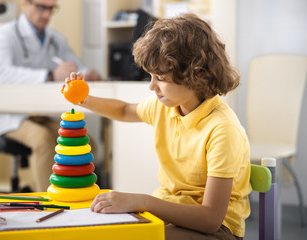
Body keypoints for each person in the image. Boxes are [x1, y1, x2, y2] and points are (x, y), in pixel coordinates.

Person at [65, 13, 251, 240]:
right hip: (168, 216)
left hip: (218, 230)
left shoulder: (222, 130)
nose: (152, 86)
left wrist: (142, 200)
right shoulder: (164, 107)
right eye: (150, 76)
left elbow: (211, 219)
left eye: (160, 77)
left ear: (195, 74)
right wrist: (84, 99)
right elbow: (124, 110)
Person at [0, 0, 101, 192]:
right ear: (25, 4)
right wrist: (49, 75)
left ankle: (73, 196)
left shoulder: (55, 38)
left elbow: (75, 65)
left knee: (85, 141)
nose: (47, 14)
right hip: (11, 115)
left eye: (51, 9)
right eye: (42, 7)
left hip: (40, 112)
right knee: (44, 139)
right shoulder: (5, 34)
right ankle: (47, 201)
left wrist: (87, 72)